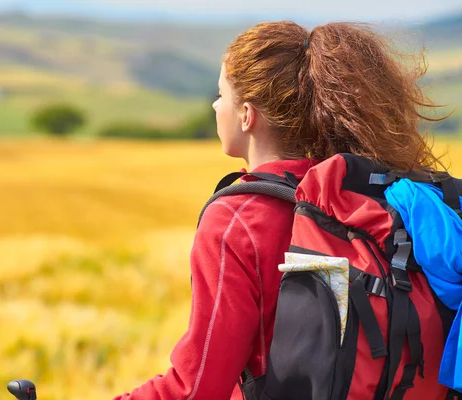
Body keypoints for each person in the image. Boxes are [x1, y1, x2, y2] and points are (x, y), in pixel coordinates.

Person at [113, 20, 448, 400]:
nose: (214, 104)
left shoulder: (237, 219)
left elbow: (196, 387)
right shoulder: (366, 200)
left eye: (222, 93)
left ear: (247, 115)